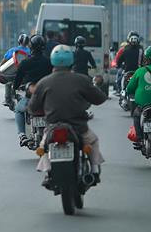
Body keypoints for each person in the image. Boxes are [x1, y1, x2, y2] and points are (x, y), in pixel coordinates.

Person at [29, 44, 107, 182]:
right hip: (79, 127)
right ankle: (94, 171)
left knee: (43, 147)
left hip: (52, 127)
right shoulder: (81, 80)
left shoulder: (44, 82)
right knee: (93, 141)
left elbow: (32, 108)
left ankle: (48, 173)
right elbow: (100, 98)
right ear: (72, 61)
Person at [12, 35, 54, 147]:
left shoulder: (25, 63)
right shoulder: (49, 62)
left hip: (31, 98)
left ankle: (22, 135)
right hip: (47, 99)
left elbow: (16, 83)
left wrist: (16, 87)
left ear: (31, 47)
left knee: (18, 110)